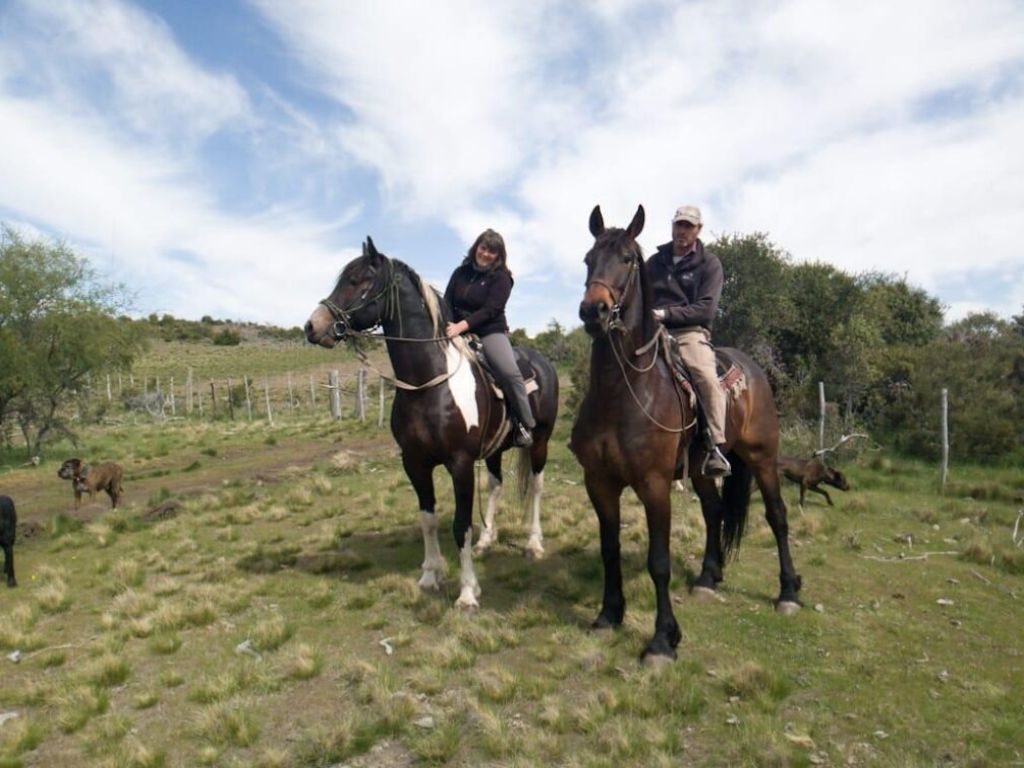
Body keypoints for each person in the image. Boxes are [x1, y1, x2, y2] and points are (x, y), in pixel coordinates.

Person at [646, 205, 731, 477]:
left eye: (688, 226)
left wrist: (665, 314)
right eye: (678, 225)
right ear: (672, 226)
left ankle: (715, 446)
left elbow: (706, 309)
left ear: (698, 230)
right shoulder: (654, 262)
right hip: (650, 330)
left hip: (689, 332)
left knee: (705, 377)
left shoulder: (709, 263)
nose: (682, 231)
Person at [444, 229, 536, 447]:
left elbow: (491, 310)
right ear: (476, 247)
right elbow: (447, 301)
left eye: (492, 252)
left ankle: (525, 424)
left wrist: (461, 326)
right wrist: (445, 323)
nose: (485, 254)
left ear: (499, 256)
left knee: (509, 372)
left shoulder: (502, 278)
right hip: (454, 328)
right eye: (483, 248)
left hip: (489, 331)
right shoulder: (460, 273)